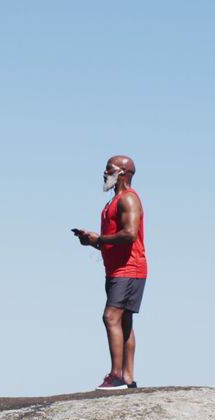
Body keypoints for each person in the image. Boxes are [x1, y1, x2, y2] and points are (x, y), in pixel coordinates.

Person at [71, 155, 147, 390]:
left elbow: (130, 234)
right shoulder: (112, 203)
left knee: (110, 316)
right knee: (124, 321)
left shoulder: (129, 200)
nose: (104, 172)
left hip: (129, 269)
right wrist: (92, 241)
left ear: (123, 172)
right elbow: (115, 239)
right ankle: (127, 378)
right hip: (115, 270)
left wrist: (100, 239)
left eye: (109, 169)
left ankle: (116, 376)